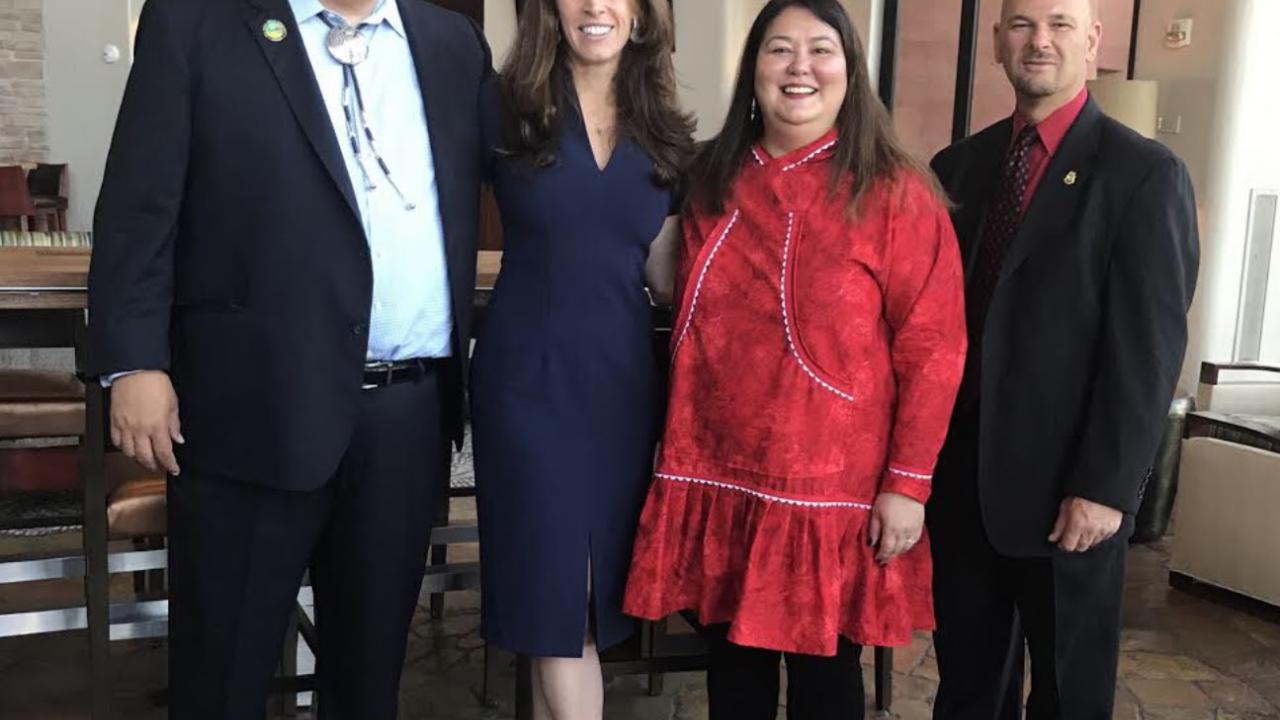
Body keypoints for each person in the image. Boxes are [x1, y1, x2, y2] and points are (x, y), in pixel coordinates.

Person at [84, 0, 491, 716]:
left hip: (406, 415)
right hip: (250, 407)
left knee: (369, 683)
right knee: (222, 677)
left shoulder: (452, 44)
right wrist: (134, 361)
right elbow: (139, 206)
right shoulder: (197, 23)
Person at [622, 1, 966, 718]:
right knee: (734, 678)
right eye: (779, 50)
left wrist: (909, 483)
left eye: (820, 50)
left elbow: (935, 348)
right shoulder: (710, 177)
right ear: (753, 70)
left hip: (829, 490)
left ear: (850, 71)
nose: (800, 67)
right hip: (717, 476)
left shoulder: (895, 191)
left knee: (824, 685)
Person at [926, 0, 1199, 716]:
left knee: (1068, 697)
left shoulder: (1144, 174)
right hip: (963, 491)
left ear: (1093, 42)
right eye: (1020, 24)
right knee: (966, 693)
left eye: (1059, 24)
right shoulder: (956, 167)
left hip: (1069, 499)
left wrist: (1107, 486)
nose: (1038, 41)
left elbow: (1149, 346)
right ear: (997, 42)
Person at [469, 0, 693, 718]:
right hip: (526, 383)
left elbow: (665, 272)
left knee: (581, 604)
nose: (597, 5)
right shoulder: (504, 109)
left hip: (622, 385)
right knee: (561, 595)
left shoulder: (664, 130)